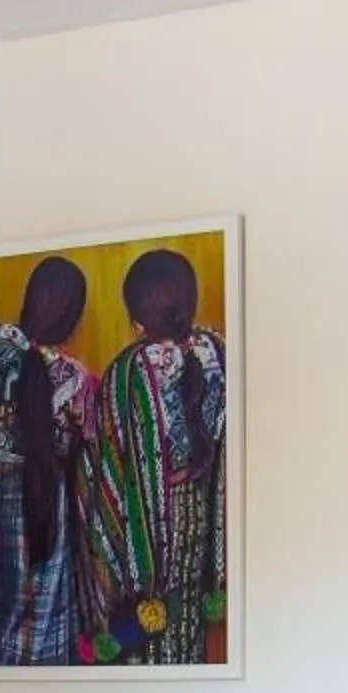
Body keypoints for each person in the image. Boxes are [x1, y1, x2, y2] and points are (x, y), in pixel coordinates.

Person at [76, 246, 227, 665]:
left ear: (137, 318)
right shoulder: (214, 352)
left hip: (142, 525)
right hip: (198, 513)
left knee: (143, 632)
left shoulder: (127, 372)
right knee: (186, 624)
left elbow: (103, 464)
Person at [0, 256, 95, 665]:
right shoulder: (79, 381)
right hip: (45, 498)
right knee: (38, 619)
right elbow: (86, 454)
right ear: (73, 316)